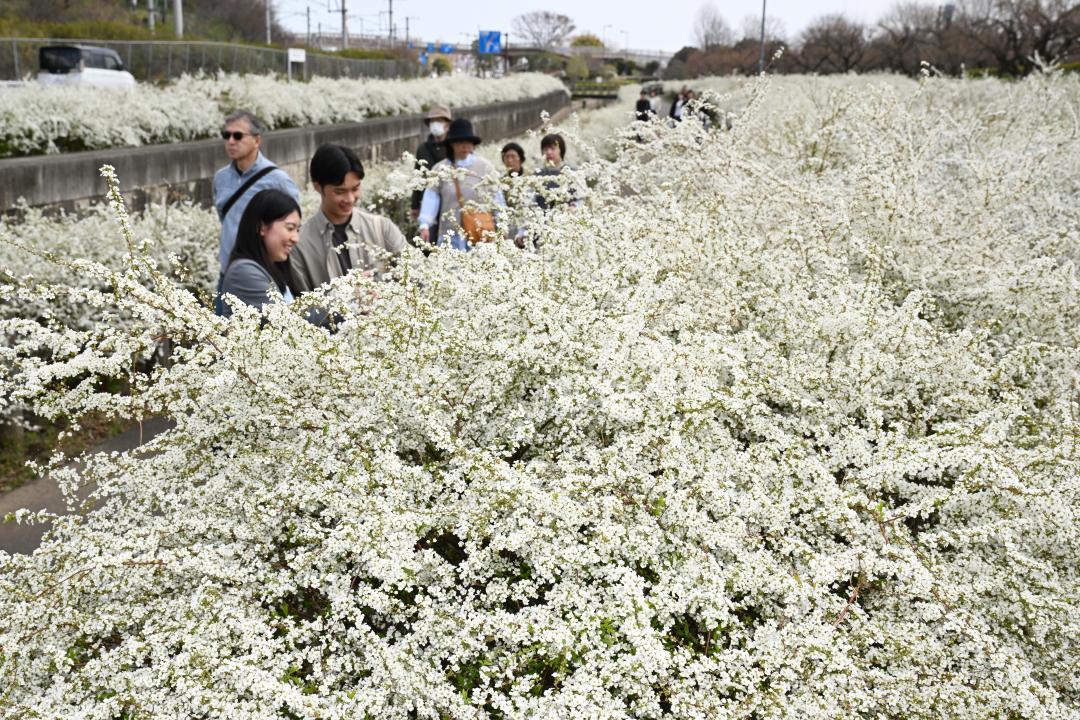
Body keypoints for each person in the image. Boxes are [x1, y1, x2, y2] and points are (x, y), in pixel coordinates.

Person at [212, 110, 300, 308]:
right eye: (226, 135)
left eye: (238, 136)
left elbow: (291, 221)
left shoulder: (278, 180)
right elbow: (225, 220)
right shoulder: (221, 178)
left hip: (263, 274)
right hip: (228, 272)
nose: (231, 141)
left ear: (257, 140)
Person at [290, 144, 406, 294]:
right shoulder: (300, 244)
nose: (350, 199)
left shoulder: (382, 228)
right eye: (340, 191)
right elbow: (302, 309)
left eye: (355, 188)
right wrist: (343, 296)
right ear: (318, 187)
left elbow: (417, 279)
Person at [417, 118, 505, 250]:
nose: (464, 146)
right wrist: (424, 225)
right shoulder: (440, 169)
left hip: (480, 232)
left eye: (468, 142)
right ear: (452, 144)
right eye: (460, 142)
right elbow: (431, 197)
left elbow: (496, 197)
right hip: (450, 234)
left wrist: (503, 224)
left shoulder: (485, 167)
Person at [218, 188, 301, 317]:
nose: (296, 238)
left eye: (297, 230)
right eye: (290, 228)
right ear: (262, 227)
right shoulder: (243, 272)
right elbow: (289, 323)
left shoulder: (275, 266)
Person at [410, 105, 452, 242]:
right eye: (433, 121)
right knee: (428, 240)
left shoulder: (453, 146)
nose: (436, 125)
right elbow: (418, 176)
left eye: (439, 121)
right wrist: (415, 205)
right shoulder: (423, 148)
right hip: (428, 201)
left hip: (449, 202)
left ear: (447, 124)